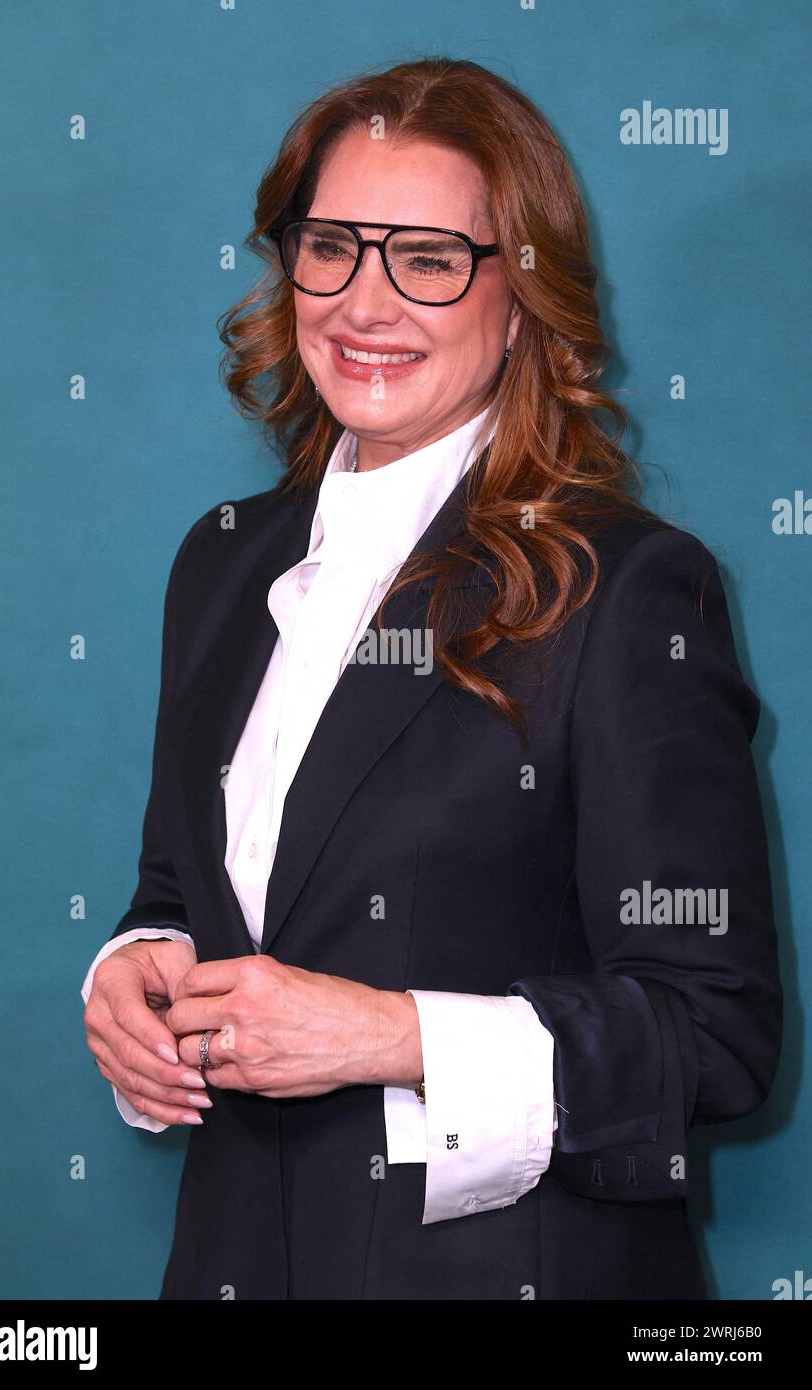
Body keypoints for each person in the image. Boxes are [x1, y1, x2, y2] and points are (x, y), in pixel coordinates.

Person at [81, 56, 782, 1300]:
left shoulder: (627, 589)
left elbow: (711, 1039)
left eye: (428, 258)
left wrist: (389, 1034)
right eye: (332, 246)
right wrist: (136, 968)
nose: (365, 301)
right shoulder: (225, 560)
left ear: (521, 299)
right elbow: (184, 889)